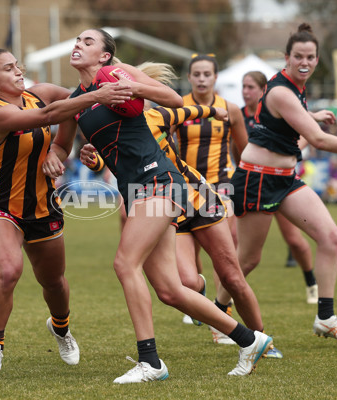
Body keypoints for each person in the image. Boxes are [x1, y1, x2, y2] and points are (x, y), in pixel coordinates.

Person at [44, 28, 273, 383]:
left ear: (105, 56)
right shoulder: (78, 100)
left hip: (159, 182)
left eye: (87, 42)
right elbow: (62, 145)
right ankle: (250, 340)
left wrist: (130, 87)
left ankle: (150, 362)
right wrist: (56, 157)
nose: (77, 45)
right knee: (169, 289)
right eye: (76, 40)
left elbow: (173, 99)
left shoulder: (120, 75)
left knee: (124, 264)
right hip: (136, 189)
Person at [230, 23, 337, 343]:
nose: (305, 62)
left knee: (330, 236)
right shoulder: (282, 90)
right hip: (256, 178)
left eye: (310, 56)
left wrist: (313, 114)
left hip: (284, 178)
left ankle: (325, 317)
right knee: (248, 260)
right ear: (287, 57)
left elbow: (292, 124)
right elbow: (318, 141)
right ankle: (217, 310)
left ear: (317, 58)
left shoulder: (297, 87)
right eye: (298, 56)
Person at [0, 47, 134, 374]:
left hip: (43, 207)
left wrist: (60, 148)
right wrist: (97, 95)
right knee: (8, 271)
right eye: (8, 68)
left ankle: (61, 329)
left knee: (54, 282)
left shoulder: (40, 94)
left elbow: (76, 107)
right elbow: (51, 116)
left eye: (18, 65)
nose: (19, 71)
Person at [79, 96, 272, 352]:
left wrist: (216, 110)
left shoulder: (156, 116)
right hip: (168, 206)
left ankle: (262, 341)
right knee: (187, 284)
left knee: (231, 277)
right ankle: (204, 294)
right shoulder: (112, 131)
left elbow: (188, 111)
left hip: (197, 196)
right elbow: (113, 161)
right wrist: (95, 161)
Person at [174, 53, 248, 320]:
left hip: (220, 184)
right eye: (197, 74)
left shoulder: (231, 109)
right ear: (189, 77)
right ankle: (196, 294)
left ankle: (221, 307)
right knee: (190, 245)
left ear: (216, 77)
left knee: (226, 243)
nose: (202, 79)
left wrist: (242, 182)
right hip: (187, 186)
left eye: (207, 74)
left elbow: (244, 151)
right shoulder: (177, 107)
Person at [241, 70, 319, 305]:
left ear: (263, 90)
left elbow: (304, 132)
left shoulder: (275, 109)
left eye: (250, 87)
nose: (245, 92)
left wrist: (293, 152)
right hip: (253, 182)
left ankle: (311, 284)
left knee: (294, 240)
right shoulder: (238, 114)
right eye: (243, 87)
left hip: (280, 181)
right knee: (246, 252)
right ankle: (226, 298)